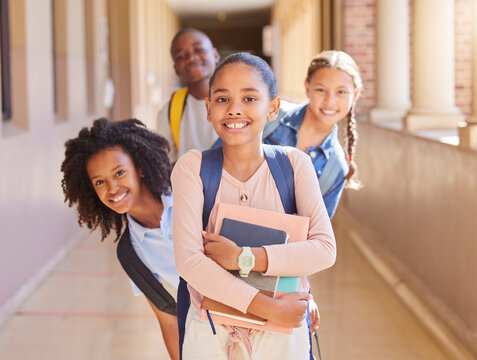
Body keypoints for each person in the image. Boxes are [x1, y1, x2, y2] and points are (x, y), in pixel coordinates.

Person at [171, 52, 336, 359]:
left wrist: (243, 258)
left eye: (249, 98)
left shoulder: (294, 165)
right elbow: (190, 262)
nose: (234, 109)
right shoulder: (192, 168)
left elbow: (324, 249)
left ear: (272, 107)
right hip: (212, 330)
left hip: (282, 337)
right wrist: (269, 308)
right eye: (222, 99)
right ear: (208, 108)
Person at [61, 118, 180, 360]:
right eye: (100, 182)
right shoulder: (131, 253)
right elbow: (168, 321)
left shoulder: (188, 190)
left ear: (140, 168)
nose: (112, 188)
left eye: (120, 172)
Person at [264, 50, 363, 219]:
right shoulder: (269, 116)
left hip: (271, 245)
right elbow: (212, 166)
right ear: (307, 88)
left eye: (341, 92)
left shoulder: (335, 168)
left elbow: (314, 236)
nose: (330, 101)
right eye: (321, 90)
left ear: (355, 95)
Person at [157, 28, 220, 163]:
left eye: (198, 50)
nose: (191, 58)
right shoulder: (169, 111)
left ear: (215, 55)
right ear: (176, 69)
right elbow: (166, 163)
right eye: (181, 56)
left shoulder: (240, 101)